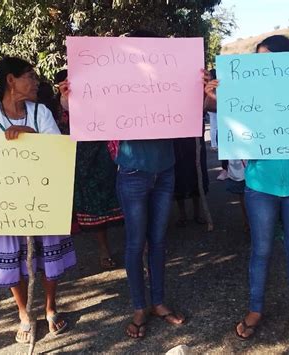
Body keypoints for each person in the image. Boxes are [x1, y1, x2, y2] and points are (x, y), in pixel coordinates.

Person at [205, 35, 289, 344]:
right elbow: (223, 115)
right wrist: (214, 98)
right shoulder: (247, 94)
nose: (261, 66)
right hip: (260, 185)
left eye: (267, 58)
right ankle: (255, 309)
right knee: (261, 249)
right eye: (258, 59)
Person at [0, 57, 76, 343]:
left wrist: (31, 137)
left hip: (42, 199)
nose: (36, 82)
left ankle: (50, 307)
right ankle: (24, 314)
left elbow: (57, 151)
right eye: (29, 76)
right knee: (14, 258)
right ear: (10, 80)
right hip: (4, 204)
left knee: (47, 255)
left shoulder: (40, 112)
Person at [113, 30, 185, 339]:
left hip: (164, 170)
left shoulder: (170, 79)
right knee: (135, 243)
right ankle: (140, 306)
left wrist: (202, 85)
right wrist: (68, 94)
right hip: (133, 172)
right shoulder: (116, 82)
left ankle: (157, 302)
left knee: (157, 241)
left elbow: (196, 104)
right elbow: (88, 106)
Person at [57, 70, 124, 270]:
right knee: (94, 202)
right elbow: (66, 116)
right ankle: (104, 249)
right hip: (86, 154)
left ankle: (142, 245)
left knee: (129, 197)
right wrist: (65, 96)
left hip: (113, 149)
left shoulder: (113, 87)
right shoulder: (67, 96)